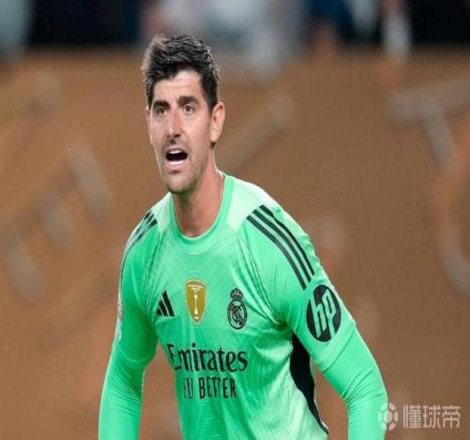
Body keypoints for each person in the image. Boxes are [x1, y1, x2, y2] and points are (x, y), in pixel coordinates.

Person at [99, 33, 387, 439]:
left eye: (188, 108)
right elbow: (123, 382)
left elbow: (365, 388)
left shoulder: (269, 243)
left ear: (216, 121)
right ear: (148, 123)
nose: (173, 128)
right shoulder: (144, 253)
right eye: (162, 110)